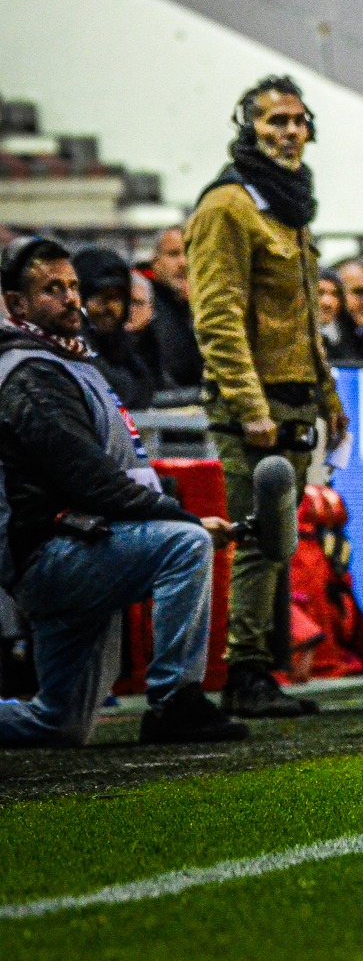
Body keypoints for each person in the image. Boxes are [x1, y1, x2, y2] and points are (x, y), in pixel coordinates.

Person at [0, 239, 246, 747]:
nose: (72, 299)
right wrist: (183, 520)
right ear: (17, 305)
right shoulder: (31, 374)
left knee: (58, 724)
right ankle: (176, 702)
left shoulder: (65, 360)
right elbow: (88, 478)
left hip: (75, 545)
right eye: (52, 290)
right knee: (185, 545)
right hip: (57, 553)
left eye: (72, 286)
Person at [186, 76, 344, 719]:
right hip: (255, 407)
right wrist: (249, 406)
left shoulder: (287, 205)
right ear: (247, 128)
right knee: (257, 540)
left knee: (278, 542)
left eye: (297, 120)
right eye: (274, 121)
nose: (288, 131)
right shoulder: (227, 206)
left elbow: (302, 317)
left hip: (295, 399)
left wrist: (327, 393)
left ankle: (262, 669)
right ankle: (244, 673)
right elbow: (217, 317)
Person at [71, 246, 154, 412]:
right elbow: (115, 390)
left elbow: (146, 385)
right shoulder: (70, 342)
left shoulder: (118, 340)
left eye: (117, 298)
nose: (110, 307)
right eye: (101, 297)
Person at [141, 226, 202, 399]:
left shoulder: (203, 305)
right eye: (173, 254)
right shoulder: (141, 303)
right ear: (155, 262)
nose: (183, 263)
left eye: (190, 253)